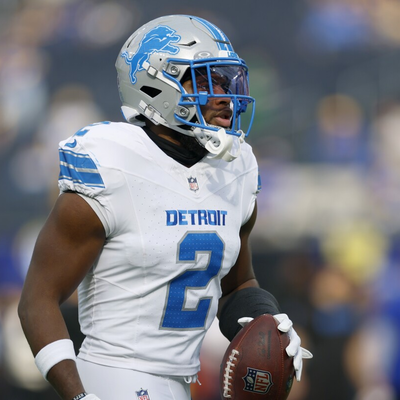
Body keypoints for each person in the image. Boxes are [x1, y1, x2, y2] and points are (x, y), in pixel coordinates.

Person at [18, 14, 312, 400]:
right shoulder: (113, 163)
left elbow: (236, 285)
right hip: (112, 377)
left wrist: (266, 320)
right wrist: (77, 394)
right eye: (205, 81)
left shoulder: (236, 170)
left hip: (181, 382)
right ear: (154, 85)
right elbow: (37, 300)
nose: (224, 96)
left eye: (226, 81)